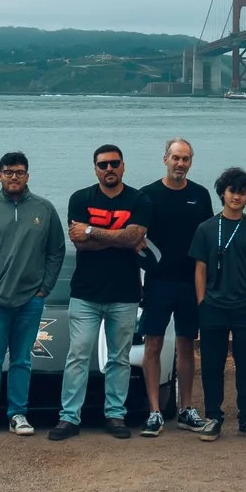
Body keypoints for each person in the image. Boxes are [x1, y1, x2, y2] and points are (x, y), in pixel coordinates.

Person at [0, 152, 64, 436]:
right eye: (8, 172)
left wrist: (44, 289)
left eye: (19, 172)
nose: (13, 177)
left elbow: (56, 251)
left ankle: (18, 413)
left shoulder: (44, 209)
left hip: (30, 300)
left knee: (22, 360)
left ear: (27, 175)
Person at [57, 143, 148, 441]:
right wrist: (120, 240)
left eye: (114, 163)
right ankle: (69, 417)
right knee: (77, 355)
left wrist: (92, 231)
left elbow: (135, 235)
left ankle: (115, 415)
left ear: (123, 166)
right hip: (85, 293)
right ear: (95, 168)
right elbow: (79, 243)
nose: (109, 169)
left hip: (124, 293)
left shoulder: (139, 199)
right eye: (103, 164)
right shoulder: (80, 198)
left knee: (119, 358)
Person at [136, 139, 213, 436]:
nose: (180, 164)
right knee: (153, 345)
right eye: (176, 158)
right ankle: (154, 411)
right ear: (165, 159)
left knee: (185, 346)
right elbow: (137, 239)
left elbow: (207, 241)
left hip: (190, 281)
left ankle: (186, 409)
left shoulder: (200, 195)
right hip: (157, 282)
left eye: (186, 159)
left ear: (191, 162)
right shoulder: (147, 195)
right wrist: (139, 277)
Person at [191, 166, 246, 439]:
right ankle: (213, 417)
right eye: (232, 191)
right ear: (223, 193)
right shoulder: (206, 228)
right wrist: (202, 302)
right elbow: (200, 268)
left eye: (242, 192)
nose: (236, 197)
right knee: (212, 364)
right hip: (213, 306)